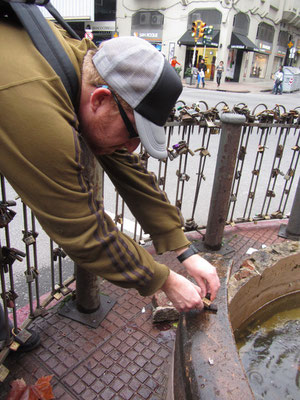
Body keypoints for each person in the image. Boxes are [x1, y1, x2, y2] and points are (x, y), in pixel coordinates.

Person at [0, 12, 220, 315]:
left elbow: (126, 167)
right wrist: (164, 280)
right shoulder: (36, 106)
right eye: (133, 133)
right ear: (100, 100)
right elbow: (84, 231)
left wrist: (185, 250)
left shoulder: (82, 66)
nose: (133, 147)